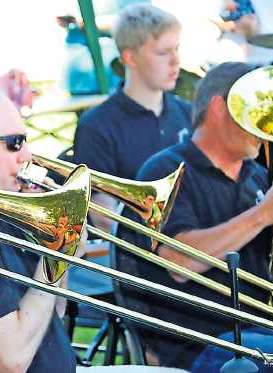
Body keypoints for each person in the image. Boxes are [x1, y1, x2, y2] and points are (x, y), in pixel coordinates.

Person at [0, 85, 189, 373]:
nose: (28, 156)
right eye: (14, 143)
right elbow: (12, 357)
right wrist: (57, 251)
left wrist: (59, 251)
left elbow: (54, 313)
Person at [117, 62, 273, 372]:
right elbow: (179, 261)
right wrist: (262, 214)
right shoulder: (166, 171)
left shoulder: (257, 176)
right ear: (220, 107)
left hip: (268, 330)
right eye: (257, 113)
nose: (265, 127)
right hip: (200, 341)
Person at [71, 3, 192, 232]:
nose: (175, 61)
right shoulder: (97, 126)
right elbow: (102, 214)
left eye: (177, 49)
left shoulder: (189, 113)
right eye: (163, 52)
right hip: (141, 258)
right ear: (130, 58)